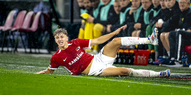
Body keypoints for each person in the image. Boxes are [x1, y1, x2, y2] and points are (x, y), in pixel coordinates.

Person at [35, 26, 170, 78]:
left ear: (66, 38)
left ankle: (150, 40)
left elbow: (98, 40)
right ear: (55, 40)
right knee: (124, 71)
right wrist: (40, 73)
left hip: (99, 58)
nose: (60, 39)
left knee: (116, 40)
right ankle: (159, 74)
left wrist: (114, 33)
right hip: (95, 71)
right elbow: (50, 71)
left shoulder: (75, 42)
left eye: (61, 37)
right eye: (57, 37)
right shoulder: (56, 57)